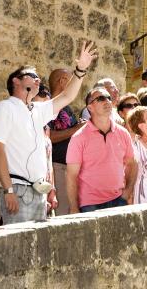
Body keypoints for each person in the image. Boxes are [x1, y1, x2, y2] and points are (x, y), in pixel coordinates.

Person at [0, 40, 97, 224]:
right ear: (15, 81)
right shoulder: (5, 108)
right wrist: (8, 191)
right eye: (31, 75)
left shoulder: (37, 110)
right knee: (18, 249)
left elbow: (68, 96)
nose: (38, 78)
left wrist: (80, 70)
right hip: (18, 189)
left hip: (39, 193)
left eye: (38, 76)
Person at [65, 88, 138, 213]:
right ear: (90, 108)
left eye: (108, 98)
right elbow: (71, 175)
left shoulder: (123, 133)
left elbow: (132, 163)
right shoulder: (79, 137)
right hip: (89, 204)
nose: (107, 101)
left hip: (119, 200)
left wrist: (127, 192)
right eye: (100, 98)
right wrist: (73, 206)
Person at [46, 68, 87, 216]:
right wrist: (76, 128)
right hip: (57, 168)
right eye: (72, 81)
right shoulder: (47, 106)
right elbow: (48, 137)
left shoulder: (67, 108)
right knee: (62, 212)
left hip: (71, 168)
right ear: (63, 81)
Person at [32, 84, 58, 215]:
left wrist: (52, 191)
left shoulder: (46, 128)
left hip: (45, 189)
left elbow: (49, 162)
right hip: (31, 190)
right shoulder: (26, 125)